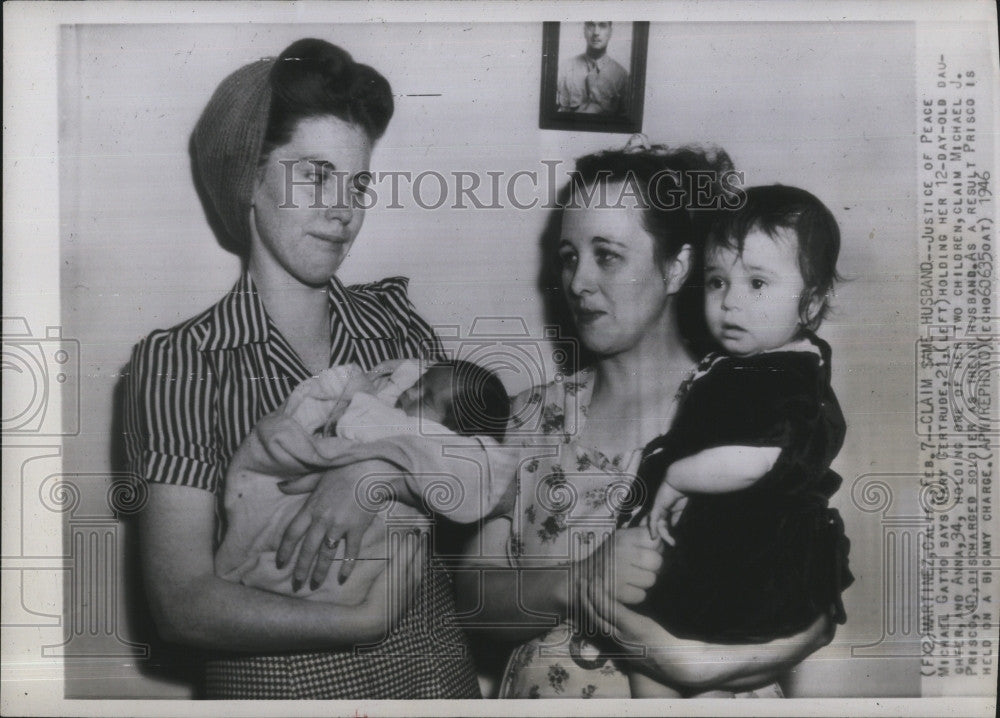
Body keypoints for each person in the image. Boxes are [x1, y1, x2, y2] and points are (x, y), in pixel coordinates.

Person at [122, 38, 482, 699]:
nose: (344, 211)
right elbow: (180, 605)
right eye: (316, 175)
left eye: (359, 183)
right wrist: (357, 622)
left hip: (438, 683)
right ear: (248, 178)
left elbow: (483, 477)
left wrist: (376, 471)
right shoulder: (180, 364)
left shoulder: (397, 326)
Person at [451, 141, 837, 698]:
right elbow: (472, 600)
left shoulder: (750, 409)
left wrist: (689, 666)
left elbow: (812, 615)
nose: (578, 281)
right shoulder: (527, 416)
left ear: (677, 266)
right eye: (568, 256)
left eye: (606, 254)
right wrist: (577, 584)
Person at [622, 185, 855, 697]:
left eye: (756, 283)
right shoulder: (741, 366)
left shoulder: (789, 376)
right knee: (650, 664)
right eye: (716, 281)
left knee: (697, 670)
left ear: (811, 303)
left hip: (754, 567)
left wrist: (678, 475)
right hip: (719, 557)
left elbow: (761, 458)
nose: (729, 301)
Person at [216, 358, 511, 604]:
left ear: (455, 433)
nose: (409, 393)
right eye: (417, 384)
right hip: (313, 528)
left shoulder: (431, 439)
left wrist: (370, 470)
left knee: (278, 437)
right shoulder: (406, 407)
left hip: (370, 563)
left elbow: (361, 420)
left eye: (426, 396)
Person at [557, 21, 629, 114]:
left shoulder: (621, 75)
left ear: (610, 32)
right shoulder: (565, 68)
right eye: (591, 25)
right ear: (584, 30)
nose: (596, 32)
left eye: (602, 26)